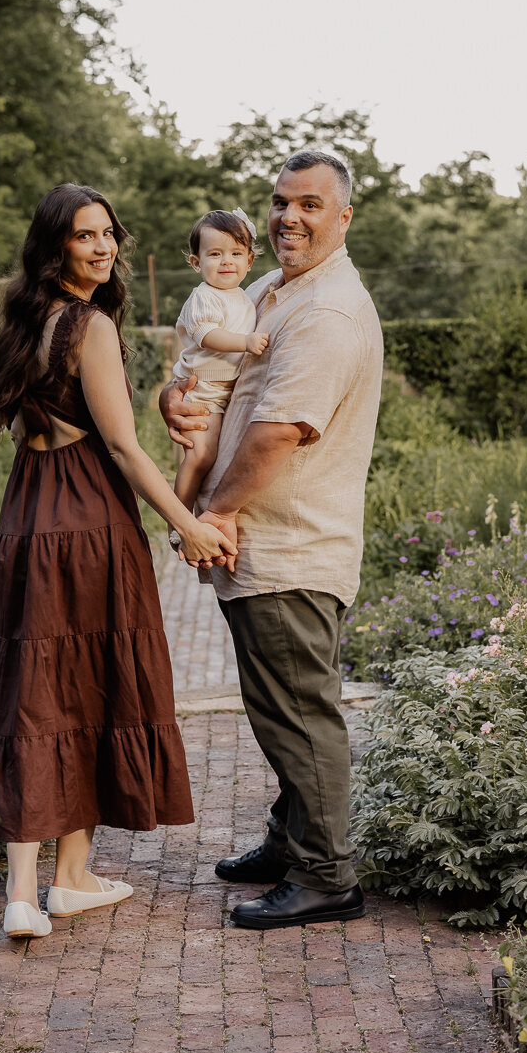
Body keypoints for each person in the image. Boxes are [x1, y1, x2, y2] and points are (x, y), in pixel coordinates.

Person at [0, 183, 236, 940]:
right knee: (95, 688)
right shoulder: (88, 325)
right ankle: (68, 879)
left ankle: (36, 891)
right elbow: (119, 446)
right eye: (84, 236)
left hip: (27, 518)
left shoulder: (25, 323)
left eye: (108, 233)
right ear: (55, 246)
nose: (102, 247)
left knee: (33, 693)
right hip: (88, 520)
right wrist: (186, 522)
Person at [160, 150, 383, 930]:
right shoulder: (270, 290)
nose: (290, 216)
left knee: (296, 711)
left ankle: (326, 878)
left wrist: (209, 516)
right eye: (282, 202)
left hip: (290, 549)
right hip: (265, 547)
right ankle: (289, 843)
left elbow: (278, 432)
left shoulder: (325, 313)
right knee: (277, 707)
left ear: (343, 216)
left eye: (310, 204)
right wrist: (171, 398)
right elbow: (206, 368)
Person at [170, 207, 269, 513]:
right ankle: (178, 518)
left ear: (249, 261)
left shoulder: (243, 297)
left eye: (236, 253)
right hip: (203, 390)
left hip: (223, 392)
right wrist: (246, 343)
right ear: (197, 263)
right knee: (200, 457)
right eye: (215, 254)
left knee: (215, 458)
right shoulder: (204, 296)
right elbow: (208, 335)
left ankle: (194, 509)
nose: (227, 261)